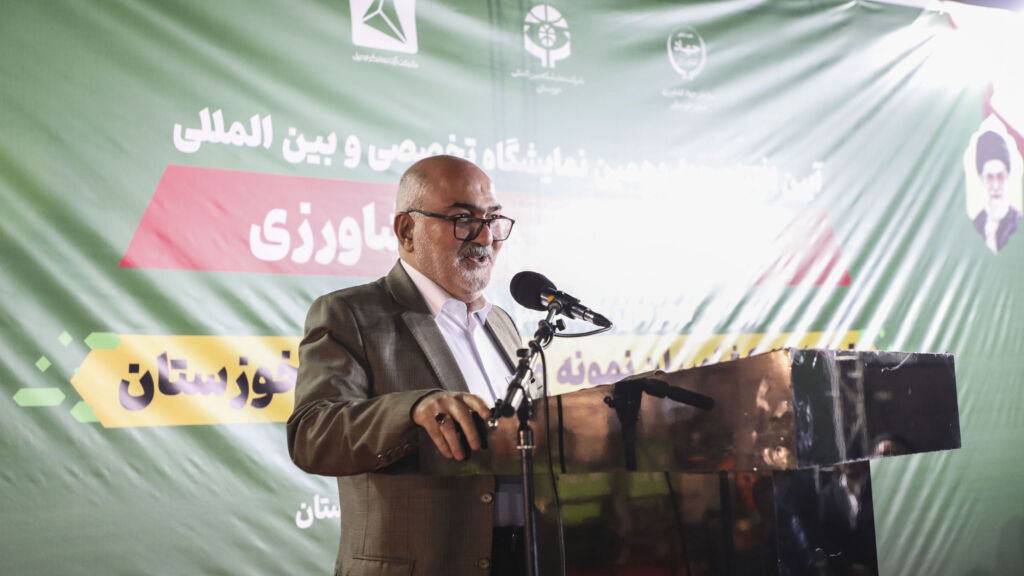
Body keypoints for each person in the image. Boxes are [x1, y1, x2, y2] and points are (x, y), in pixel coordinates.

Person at [287, 155, 526, 576]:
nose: (485, 236)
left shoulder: (503, 325)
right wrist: (412, 409)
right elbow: (312, 434)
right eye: (463, 219)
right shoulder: (351, 314)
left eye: (492, 219)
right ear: (406, 230)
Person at [972, 130, 1021, 253]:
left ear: (1008, 177)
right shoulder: (977, 225)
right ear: (981, 179)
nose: (995, 186)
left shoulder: (1018, 224)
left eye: (1000, 177)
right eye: (989, 177)